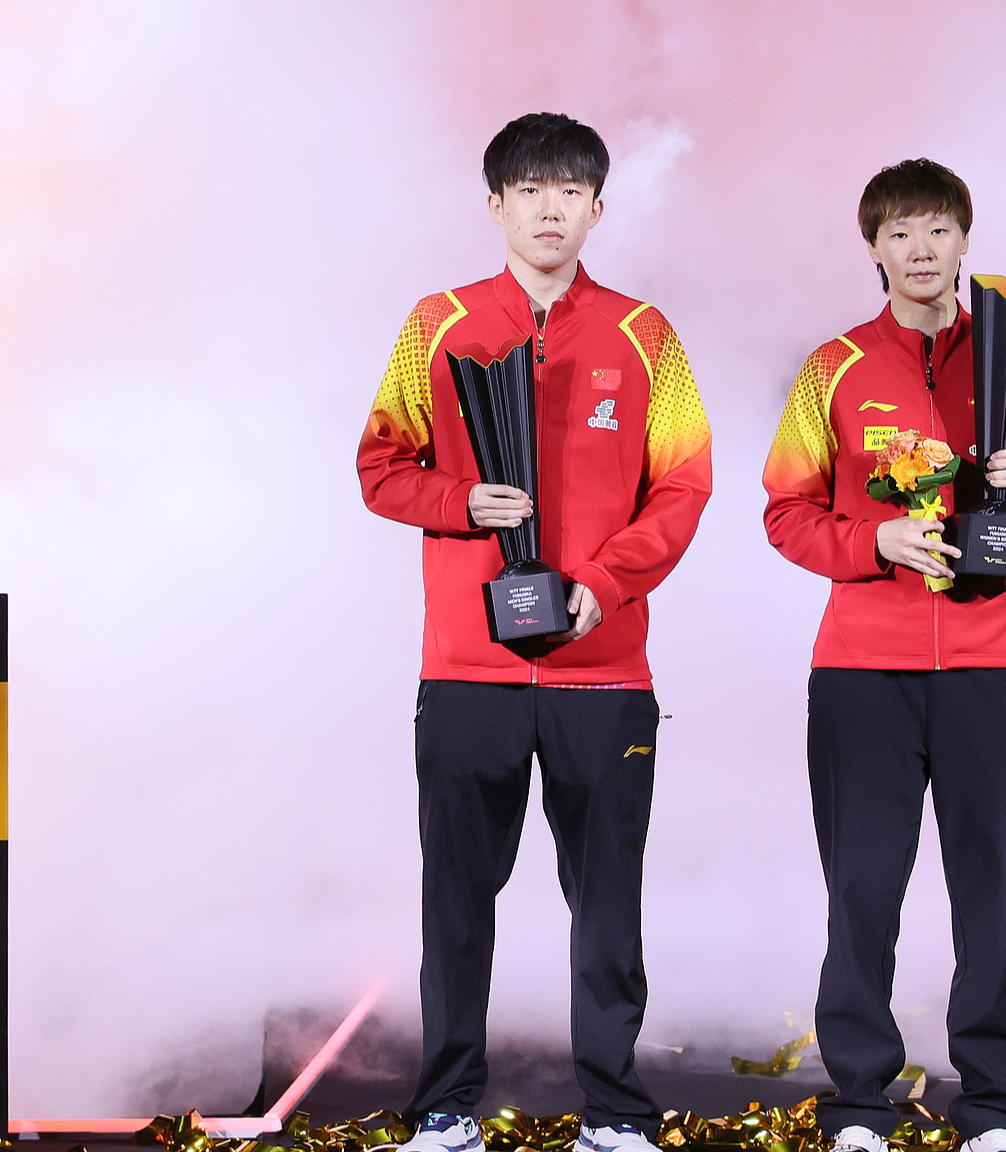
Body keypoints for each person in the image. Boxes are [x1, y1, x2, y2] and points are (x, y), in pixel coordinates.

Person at [358, 111, 713, 1152]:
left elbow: (683, 484)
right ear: (495, 206)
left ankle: (613, 1112)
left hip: (602, 675)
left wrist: (604, 582)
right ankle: (445, 1110)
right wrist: (467, 503)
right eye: (528, 190)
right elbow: (381, 466)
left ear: (598, 208)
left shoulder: (645, 334)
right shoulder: (438, 323)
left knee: (606, 909)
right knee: (456, 902)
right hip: (465, 670)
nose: (548, 208)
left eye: (569, 191)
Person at [760, 158, 1006, 1152]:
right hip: (863, 670)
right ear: (872, 250)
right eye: (898, 233)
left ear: (963, 240)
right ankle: (859, 1104)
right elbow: (784, 510)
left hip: (995, 669)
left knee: (993, 899)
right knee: (861, 891)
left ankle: (990, 1107)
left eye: (936, 230)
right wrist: (874, 544)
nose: (919, 250)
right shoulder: (833, 368)